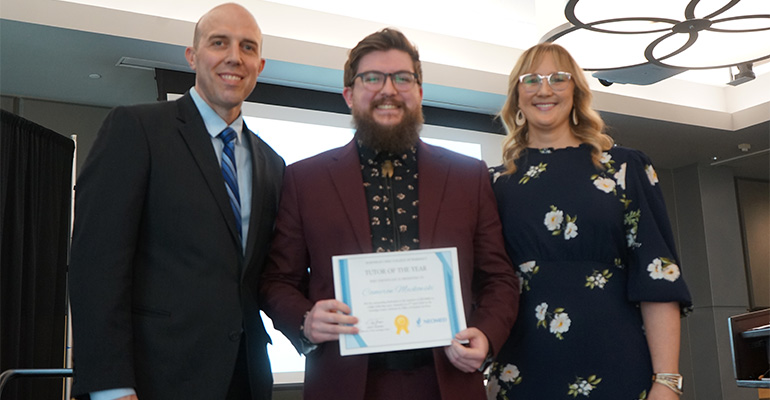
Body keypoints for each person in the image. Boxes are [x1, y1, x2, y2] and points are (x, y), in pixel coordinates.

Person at [258, 28, 519, 400]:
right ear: (349, 94)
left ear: (420, 92)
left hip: (446, 382)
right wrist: (305, 320)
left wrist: (486, 333)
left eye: (402, 78)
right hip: (347, 385)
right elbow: (277, 280)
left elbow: (499, 278)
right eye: (372, 78)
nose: (389, 90)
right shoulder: (305, 179)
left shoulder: (467, 176)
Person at [68, 3, 284, 400]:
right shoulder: (136, 129)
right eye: (219, 43)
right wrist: (110, 387)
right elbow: (95, 267)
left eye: (248, 47)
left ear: (261, 64)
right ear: (193, 55)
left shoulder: (273, 163)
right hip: (154, 381)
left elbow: (262, 277)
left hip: (247, 381)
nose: (234, 57)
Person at [485, 43, 693, 400]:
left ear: (577, 92)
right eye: (531, 79)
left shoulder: (625, 169)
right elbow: (484, 284)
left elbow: (656, 274)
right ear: (516, 96)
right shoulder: (493, 184)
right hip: (525, 367)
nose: (544, 89)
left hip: (618, 363)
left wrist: (667, 381)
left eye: (558, 78)